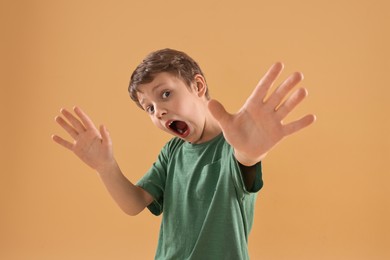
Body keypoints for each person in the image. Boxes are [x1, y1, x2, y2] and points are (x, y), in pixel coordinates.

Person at [52, 48, 316, 259]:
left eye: (165, 94)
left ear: (197, 86)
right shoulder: (172, 151)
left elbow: (245, 159)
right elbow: (134, 204)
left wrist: (249, 152)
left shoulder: (233, 145)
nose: (159, 112)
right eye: (150, 109)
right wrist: (105, 166)